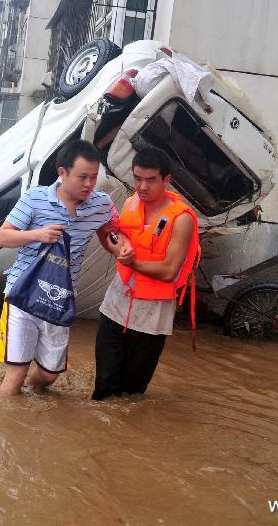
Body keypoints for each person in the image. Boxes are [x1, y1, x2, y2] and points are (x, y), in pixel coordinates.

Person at [0, 139, 125, 397]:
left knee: (50, 375)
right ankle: (4, 427)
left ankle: (31, 391)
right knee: (16, 373)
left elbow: (110, 232)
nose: (89, 184)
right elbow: (2, 237)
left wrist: (120, 249)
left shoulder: (102, 204)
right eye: (82, 177)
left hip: (60, 298)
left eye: (94, 177)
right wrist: (37, 235)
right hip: (23, 294)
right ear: (62, 173)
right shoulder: (34, 198)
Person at [92, 148, 200, 400]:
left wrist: (130, 261)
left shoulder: (182, 219)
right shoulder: (130, 203)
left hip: (152, 315)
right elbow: (116, 239)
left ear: (166, 180)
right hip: (116, 304)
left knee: (132, 393)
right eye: (137, 178)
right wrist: (106, 235)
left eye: (150, 180)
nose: (142, 186)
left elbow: (168, 270)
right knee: (104, 388)